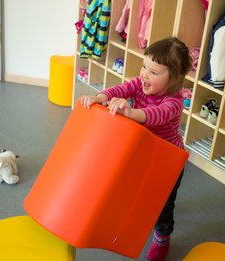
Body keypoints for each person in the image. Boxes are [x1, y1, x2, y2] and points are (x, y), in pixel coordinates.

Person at [80, 36, 191, 261]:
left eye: (153, 72)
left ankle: (162, 236)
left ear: (173, 80)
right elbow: (120, 89)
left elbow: (153, 116)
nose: (144, 74)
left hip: (167, 163)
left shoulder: (174, 102)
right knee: (138, 192)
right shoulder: (139, 85)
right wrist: (100, 97)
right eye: (144, 67)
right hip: (143, 153)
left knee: (164, 205)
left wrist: (129, 113)